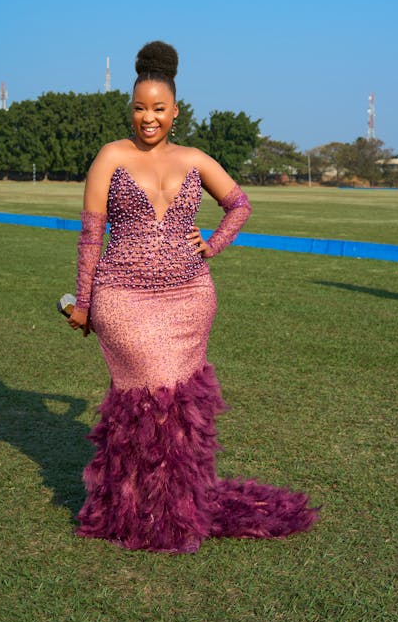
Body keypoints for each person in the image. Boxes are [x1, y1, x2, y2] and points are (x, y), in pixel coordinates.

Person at [68, 41, 318, 553]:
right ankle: (135, 503)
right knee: (142, 397)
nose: (148, 117)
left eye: (158, 108)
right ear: (130, 110)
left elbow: (240, 204)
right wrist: (86, 305)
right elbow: (92, 236)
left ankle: (174, 503)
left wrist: (212, 243)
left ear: (175, 111)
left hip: (188, 298)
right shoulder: (110, 157)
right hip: (122, 298)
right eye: (139, 108)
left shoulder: (195, 158)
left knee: (178, 406)